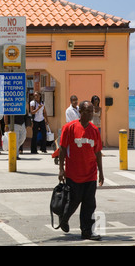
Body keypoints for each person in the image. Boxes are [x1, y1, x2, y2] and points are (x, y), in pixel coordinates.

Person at [58, 101, 104, 241]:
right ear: (80, 112)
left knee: (89, 204)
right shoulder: (69, 128)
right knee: (74, 200)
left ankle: (87, 232)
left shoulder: (94, 130)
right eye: (87, 111)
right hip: (73, 173)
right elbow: (62, 149)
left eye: (91, 111)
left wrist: (101, 172)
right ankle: (64, 218)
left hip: (90, 174)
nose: (90, 114)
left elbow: (97, 152)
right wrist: (61, 169)